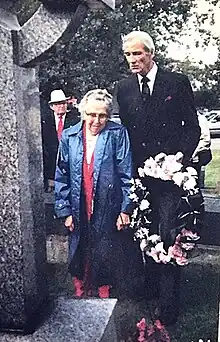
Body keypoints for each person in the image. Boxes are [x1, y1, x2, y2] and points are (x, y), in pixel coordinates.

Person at [113, 30, 201, 325]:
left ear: (150, 53)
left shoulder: (176, 82)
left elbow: (193, 128)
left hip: (171, 180)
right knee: (145, 235)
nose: (132, 60)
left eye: (137, 53)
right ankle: (150, 293)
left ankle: (169, 306)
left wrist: (178, 161)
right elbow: (124, 132)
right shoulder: (123, 88)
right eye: (128, 54)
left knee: (169, 236)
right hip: (140, 179)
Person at [54, 89, 144, 298]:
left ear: (108, 115)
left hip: (107, 202)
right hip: (79, 201)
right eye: (92, 114)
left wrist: (125, 209)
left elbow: (126, 173)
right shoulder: (70, 135)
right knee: (79, 243)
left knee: (105, 246)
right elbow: (62, 174)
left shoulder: (117, 133)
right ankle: (80, 287)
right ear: (83, 113)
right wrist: (65, 210)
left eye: (102, 115)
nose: (96, 120)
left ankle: (104, 289)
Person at [42, 89, 80, 192]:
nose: (61, 106)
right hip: (51, 170)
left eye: (63, 103)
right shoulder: (45, 122)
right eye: (57, 104)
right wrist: (49, 177)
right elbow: (45, 150)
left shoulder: (75, 120)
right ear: (52, 106)